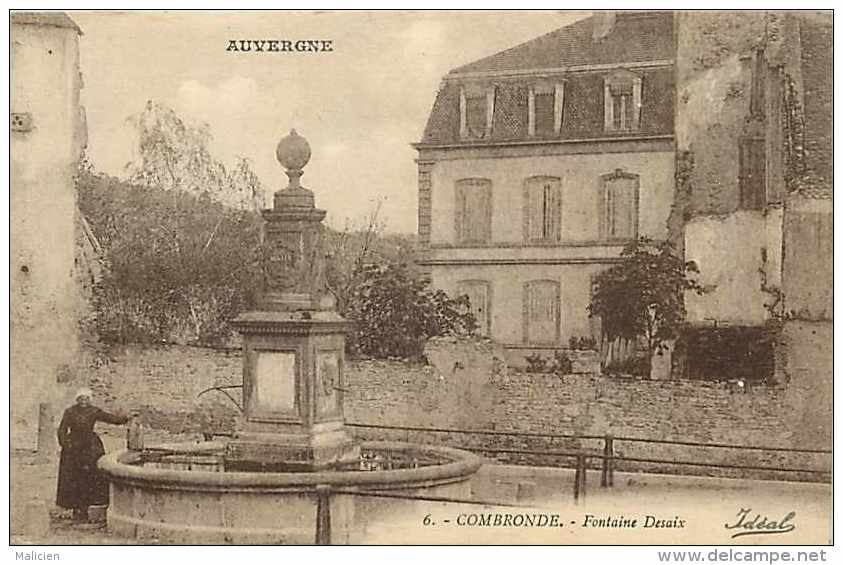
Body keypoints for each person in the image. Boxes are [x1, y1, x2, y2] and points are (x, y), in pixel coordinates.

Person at [55, 388, 129, 521]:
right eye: (81, 399)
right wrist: (66, 445)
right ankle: (76, 508)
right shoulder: (70, 412)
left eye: (86, 399)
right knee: (74, 477)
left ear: (90, 400)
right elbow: (62, 430)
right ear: (77, 400)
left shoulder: (94, 411)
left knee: (90, 475)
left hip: (90, 447)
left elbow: (110, 418)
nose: (84, 401)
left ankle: (89, 507)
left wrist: (125, 418)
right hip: (74, 447)